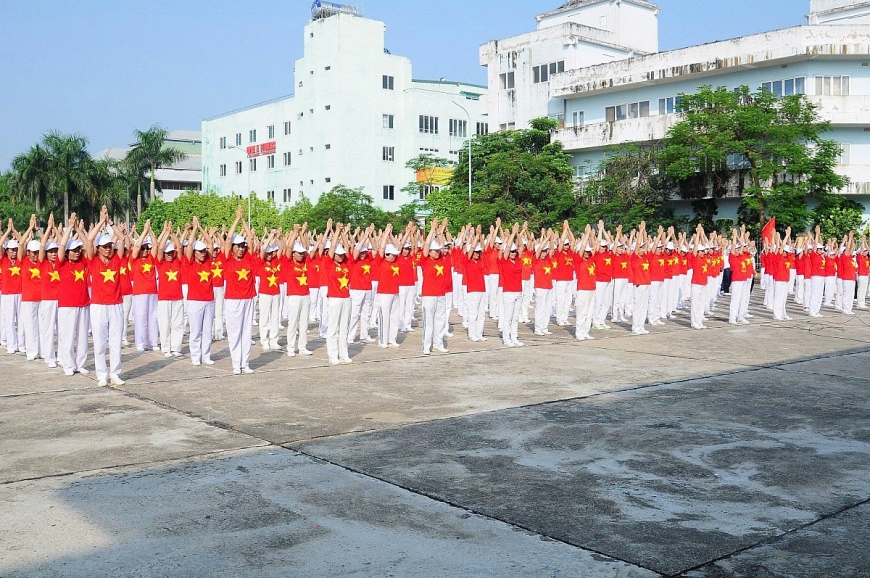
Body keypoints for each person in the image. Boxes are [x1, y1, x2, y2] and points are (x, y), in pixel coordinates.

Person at [86, 207, 127, 386]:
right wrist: (101, 222)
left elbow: (123, 238)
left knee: (116, 341)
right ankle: (101, 374)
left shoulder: (117, 259)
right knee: (100, 342)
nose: (108, 249)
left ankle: (115, 373)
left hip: (116, 304)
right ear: (99, 249)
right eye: (104, 247)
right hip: (98, 306)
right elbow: (88, 240)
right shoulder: (92, 260)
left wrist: (110, 222)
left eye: (110, 246)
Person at [222, 206, 257, 375]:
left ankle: (245, 363)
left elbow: (250, 238)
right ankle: (236, 364)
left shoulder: (249, 258)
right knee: (235, 332)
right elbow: (228, 239)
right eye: (238, 246)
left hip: (248, 298)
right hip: (233, 300)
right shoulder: (228, 259)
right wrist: (237, 219)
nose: (241, 248)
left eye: (243, 246)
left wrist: (244, 220)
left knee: (246, 332)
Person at [55, 214, 91, 376]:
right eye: (74, 250)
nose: (77, 253)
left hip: (83, 304)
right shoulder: (61, 264)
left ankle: (80, 363)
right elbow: (61, 248)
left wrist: (78, 229)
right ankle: (68, 365)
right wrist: (69, 227)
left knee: (83, 337)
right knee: (67, 336)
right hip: (67, 305)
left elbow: (89, 246)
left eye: (78, 250)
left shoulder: (84, 262)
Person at [183, 218, 216, 366]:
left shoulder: (208, 261)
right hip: (195, 301)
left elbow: (209, 243)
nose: (204, 253)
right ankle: (195, 356)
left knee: (207, 330)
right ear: (195, 252)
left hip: (209, 300)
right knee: (195, 331)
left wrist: (200, 227)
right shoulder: (189, 262)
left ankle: (206, 355)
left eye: (204, 251)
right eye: (200, 251)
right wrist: (194, 230)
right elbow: (189, 245)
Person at [322, 221, 353, 365]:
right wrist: (335, 231)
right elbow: (333, 247)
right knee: (333, 328)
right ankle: (332, 355)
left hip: (346, 297)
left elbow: (347, 247)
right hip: (334, 298)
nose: (340, 257)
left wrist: (343, 233)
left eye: (342, 255)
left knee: (343, 328)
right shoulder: (328, 264)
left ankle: (344, 354)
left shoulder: (346, 264)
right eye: (338, 255)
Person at [155, 222, 185, 357]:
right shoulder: (160, 263)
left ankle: (176, 348)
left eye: (170, 253)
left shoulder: (177, 261)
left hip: (177, 298)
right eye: (167, 253)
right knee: (165, 324)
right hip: (164, 299)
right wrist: (166, 232)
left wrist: (172, 233)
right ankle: (166, 348)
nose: (169, 255)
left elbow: (179, 247)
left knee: (177, 324)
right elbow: (159, 250)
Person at [283, 225, 313, 357]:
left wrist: (302, 233)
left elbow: (306, 247)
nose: (301, 255)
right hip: (294, 296)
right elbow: (289, 248)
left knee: (304, 323)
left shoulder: (305, 261)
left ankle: (302, 347)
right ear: (293, 254)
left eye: (302, 254)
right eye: (298, 253)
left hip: (305, 295)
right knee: (293, 323)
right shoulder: (288, 263)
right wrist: (295, 232)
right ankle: (290, 347)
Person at [130, 221, 159, 353]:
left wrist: (150, 231)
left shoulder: (151, 258)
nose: (146, 250)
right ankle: (140, 343)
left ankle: (153, 341)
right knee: (140, 317)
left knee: (153, 317)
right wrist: (143, 233)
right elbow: (136, 247)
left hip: (152, 291)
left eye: (147, 248)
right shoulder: (134, 259)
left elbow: (156, 245)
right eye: (144, 248)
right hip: (140, 292)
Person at [37, 214, 61, 368]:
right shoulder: (42, 263)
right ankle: (49, 356)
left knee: (63, 331)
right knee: (48, 329)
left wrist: (56, 231)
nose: (53, 253)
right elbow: (41, 246)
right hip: (47, 300)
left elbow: (63, 243)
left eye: (55, 251)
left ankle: (62, 356)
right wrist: (48, 228)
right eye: (50, 251)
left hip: (61, 300)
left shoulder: (61, 263)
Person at [498, 222, 526, 347]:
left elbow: (521, 247)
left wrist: (519, 234)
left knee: (515, 318)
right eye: (512, 252)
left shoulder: (518, 260)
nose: (514, 253)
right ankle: (506, 339)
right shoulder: (504, 261)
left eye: (515, 252)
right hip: (508, 292)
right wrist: (513, 234)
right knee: (508, 317)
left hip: (518, 291)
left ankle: (514, 337)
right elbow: (508, 247)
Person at [348, 226, 376, 345]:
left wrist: (370, 236)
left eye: (365, 252)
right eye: (362, 252)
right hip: (356, 289)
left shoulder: (369, 258)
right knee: (354, 314)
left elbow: (375, 249)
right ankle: (350, 335)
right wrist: (363, 238)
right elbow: (355, 251)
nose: (363, 254)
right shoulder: (353, 259)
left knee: (367, 313)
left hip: (367, 289)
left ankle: (365, 334)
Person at [256, 229, 283, 351]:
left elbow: (282, 248)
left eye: (271, 252)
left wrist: (277, 237)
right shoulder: (261, 262)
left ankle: (274, 340)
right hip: (265, 293)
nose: (270, 255)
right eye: (268, 253)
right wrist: (270, 236)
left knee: (275, 317)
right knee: (264, 317)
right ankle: (264, 340)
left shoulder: (275, 260)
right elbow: (262, 251)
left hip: (276, 292)